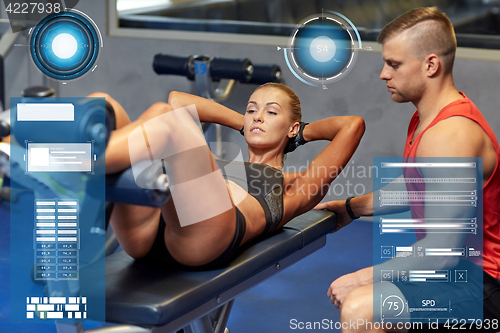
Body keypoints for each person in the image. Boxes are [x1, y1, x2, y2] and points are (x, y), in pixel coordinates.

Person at [315, 7, 500, 332]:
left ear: (431, 64)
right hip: (458, 272)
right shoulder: (427, 119)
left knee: (362, 308)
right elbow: (419, 183)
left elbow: (441, 251)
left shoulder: (450, 135)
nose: (384, 74)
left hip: (482, 285)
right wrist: (352, 208)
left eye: (394, 64)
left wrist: (361, 278)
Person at [92, 83, 365, 269]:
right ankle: (70, 161)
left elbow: (352, 126)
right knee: (103, 104)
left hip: (204, 242)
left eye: (271, 112)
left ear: (292, 128)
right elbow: (178, 100)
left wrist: (298, 134)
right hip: (150, 233)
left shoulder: (294, 185)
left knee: (168, 119)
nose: (258, 117)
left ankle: (67, 161)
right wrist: (244, 124)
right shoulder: (219, 166)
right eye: (251, 110)